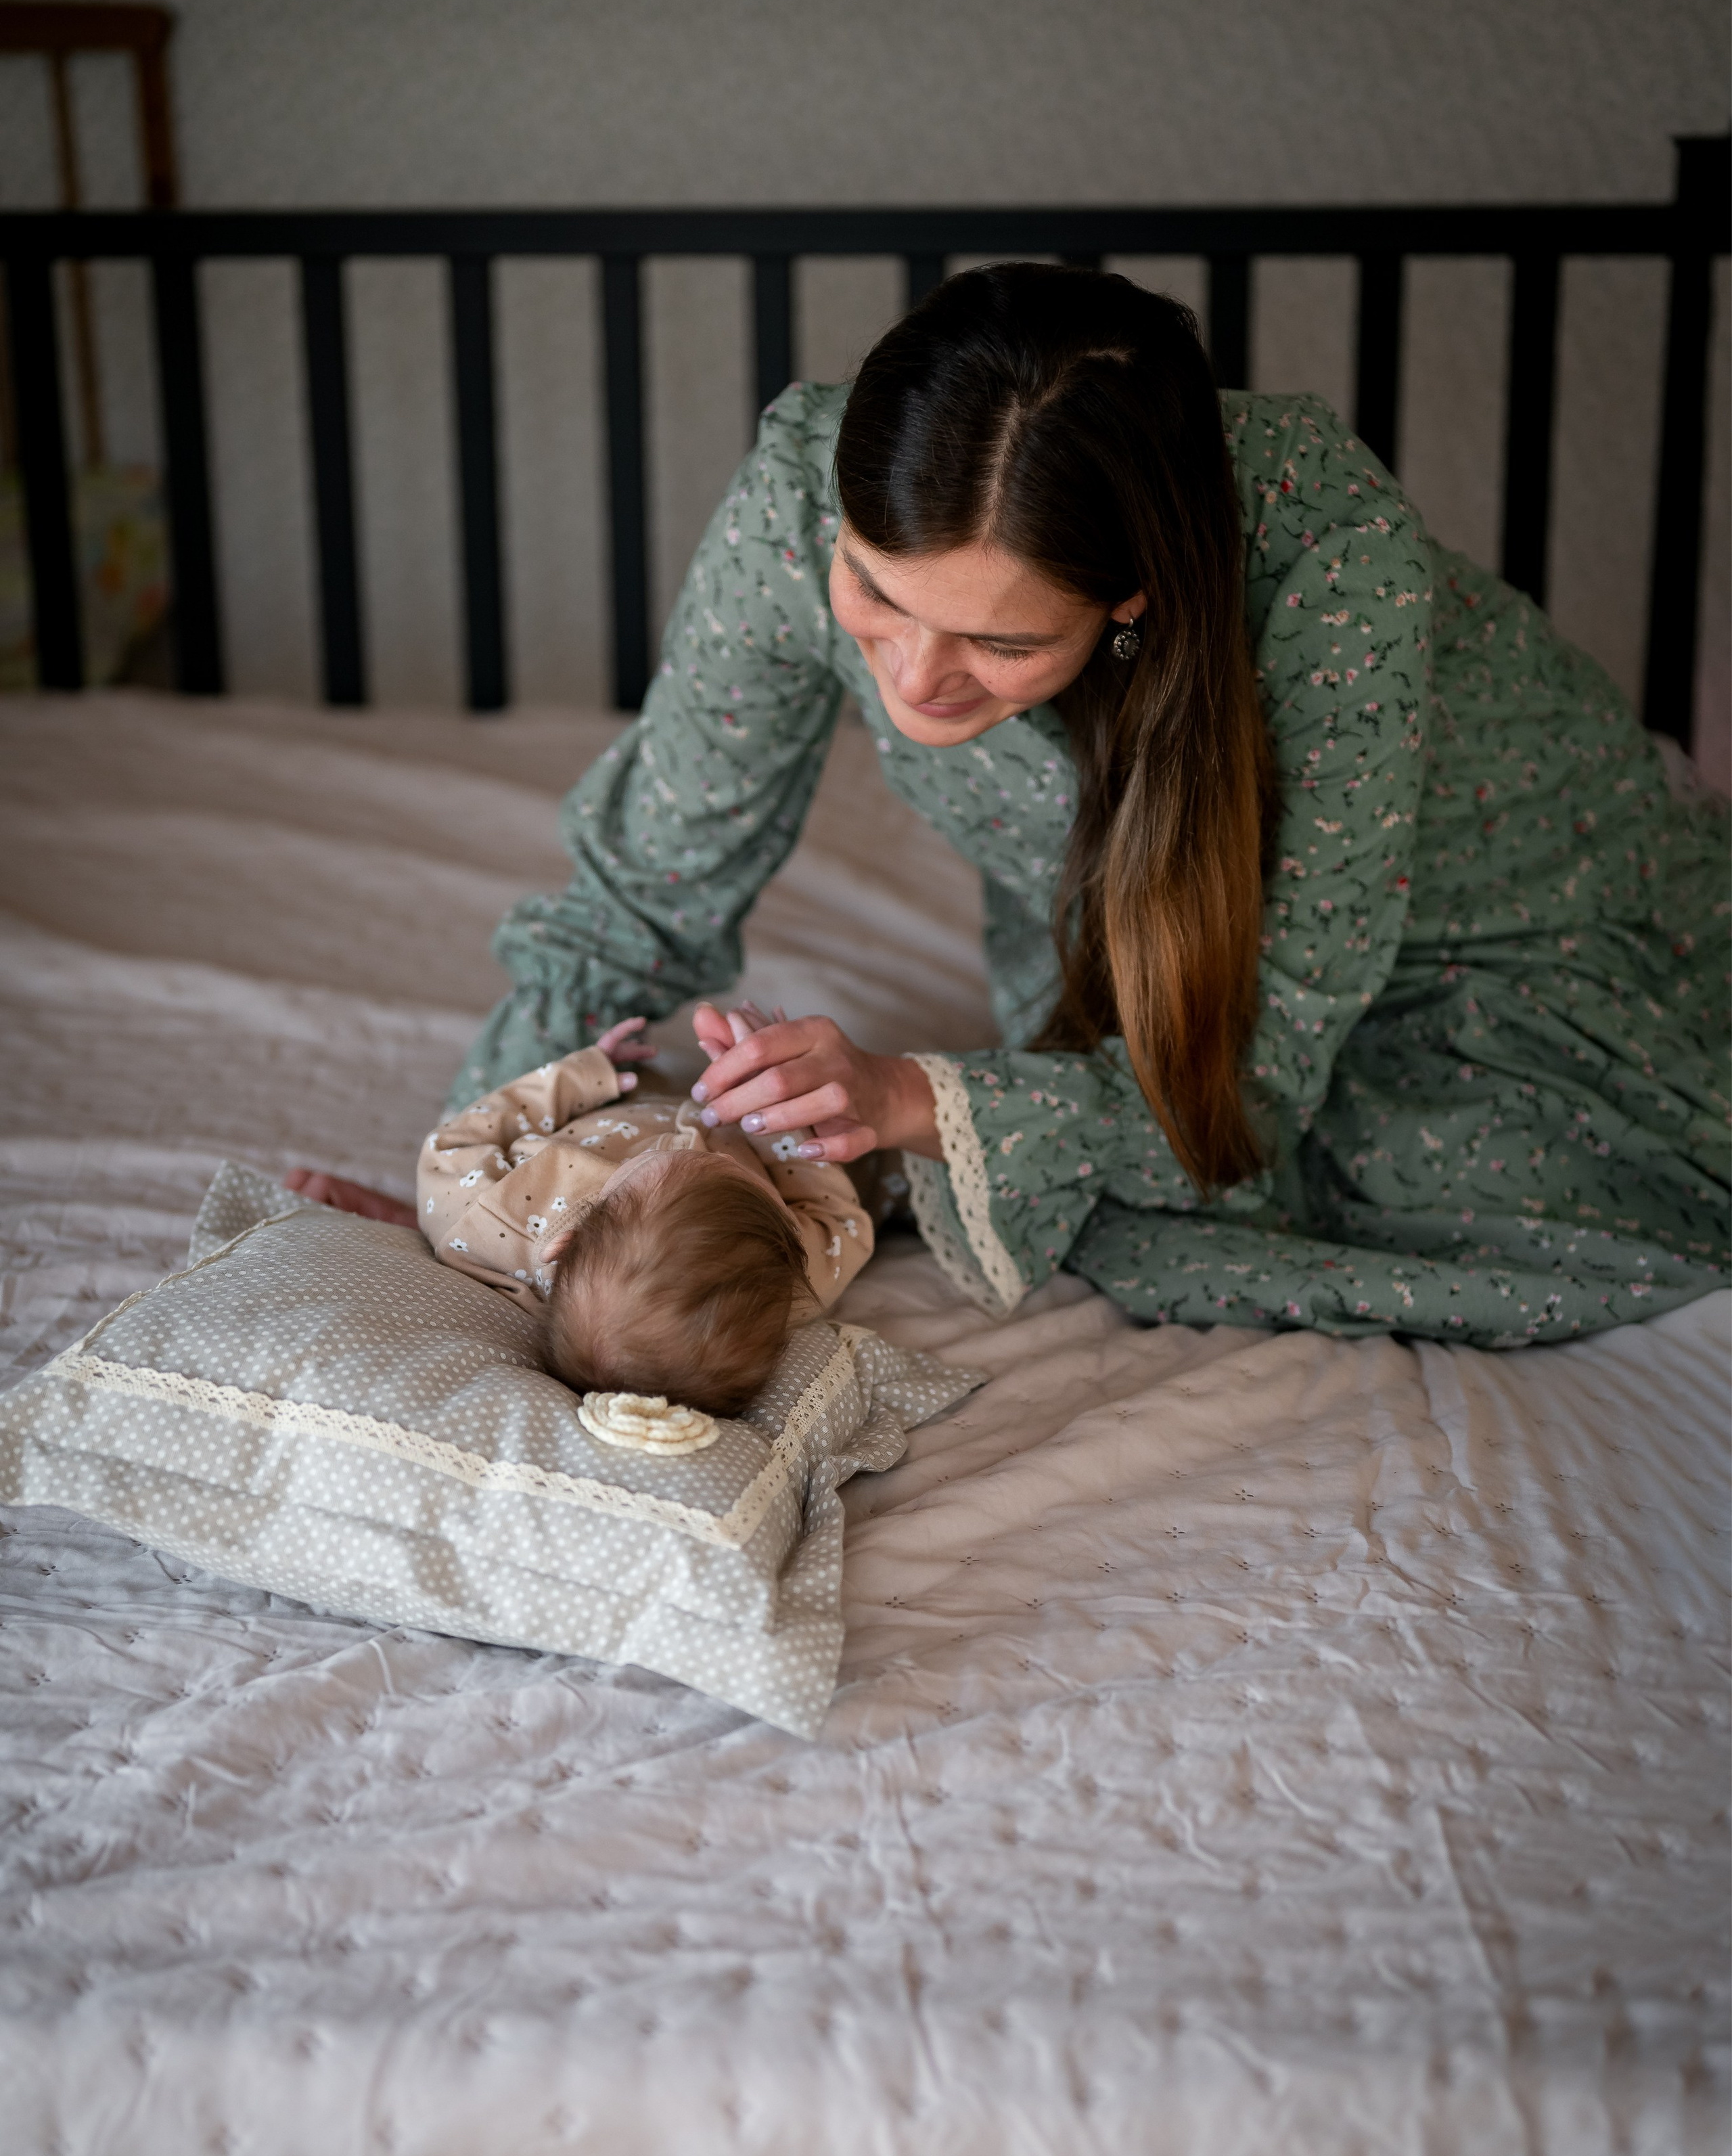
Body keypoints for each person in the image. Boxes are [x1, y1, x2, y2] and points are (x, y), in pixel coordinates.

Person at [341, 263, 1732, 1347]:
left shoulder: (1327, 575)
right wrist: (484, 1196)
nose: (911, 679)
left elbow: (1244, 1081)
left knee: (1252, 1200)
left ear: (1130, 602)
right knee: (1055, 1172)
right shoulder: (793, 508)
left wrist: (905, 1096)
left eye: (1001, 646)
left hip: (1518, 951)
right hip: (1136, 953)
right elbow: (643, 894)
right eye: (876, 596)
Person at [289, 1003, 873, 1416]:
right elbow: (836, 1214)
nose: (701, 1147)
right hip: (680, 1105)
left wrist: (580, 1075)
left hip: (552, 1132)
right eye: (749, 1183)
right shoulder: (784, 1282)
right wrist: (782, 1128)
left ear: (565, 1240)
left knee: (507, 1078)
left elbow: (457, 1141)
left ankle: (411, 1223)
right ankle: (415, 1223)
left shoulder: (498, 1211)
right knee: (870, 1159)